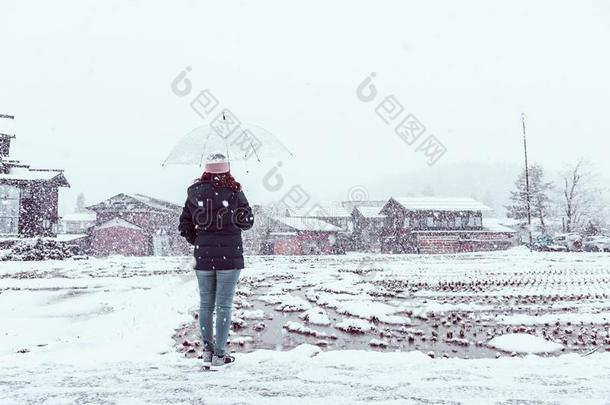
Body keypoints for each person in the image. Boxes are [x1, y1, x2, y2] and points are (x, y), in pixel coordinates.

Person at [178, 152, 254, 370]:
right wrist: (234, 218)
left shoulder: (193, 192)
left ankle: (207, 352)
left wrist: (199, 239)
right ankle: (220, 355)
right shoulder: (235, 191)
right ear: (226, 169)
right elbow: (247, 221)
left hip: (203, 256)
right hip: (230, 256)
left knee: (205, 305)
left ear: (206, 169)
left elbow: (184, 224)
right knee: (223, 306)